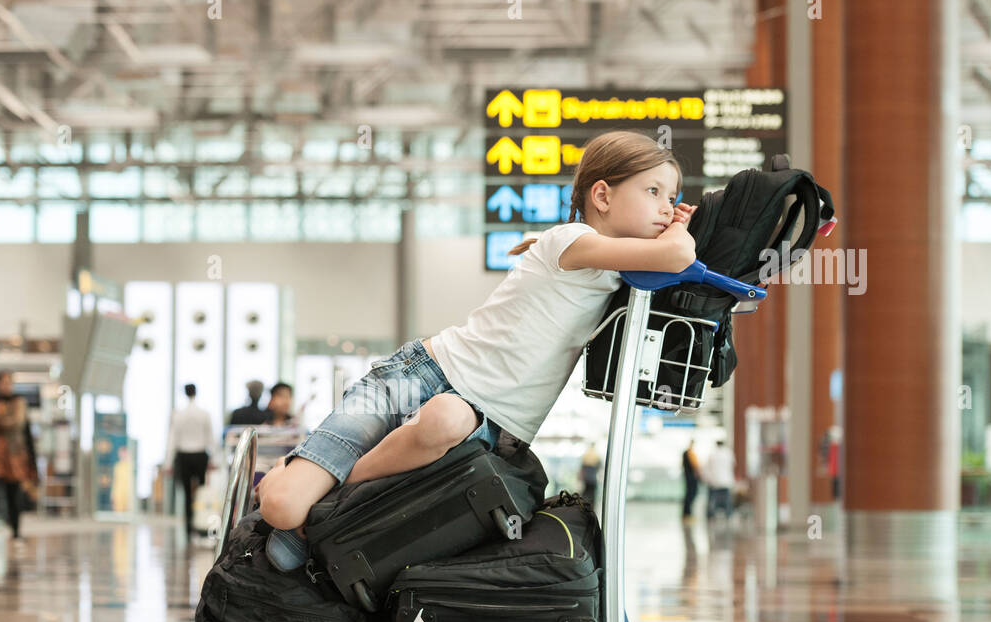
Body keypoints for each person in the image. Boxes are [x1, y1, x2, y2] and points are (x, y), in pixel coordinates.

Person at [257, 130, 697, 569]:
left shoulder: (615, 269)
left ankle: (328, 495)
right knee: (282, 507)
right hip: (419, 375)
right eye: (653, 191)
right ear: (601, 195)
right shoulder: (571, 240)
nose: (666, 207)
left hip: (483, 429)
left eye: (673, 197)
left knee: (447, 419)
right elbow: (678, 255)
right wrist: (680, 226)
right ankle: (302, 489)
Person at [0, 371, 34, 548]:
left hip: (14, 456)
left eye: (9, 382)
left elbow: (17, 423)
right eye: (3, 382)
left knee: (13, 495)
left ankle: (16, 533)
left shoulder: (19, 402)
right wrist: (0, 422)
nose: (6, 386)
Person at [165, 383, 215, 542]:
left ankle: (188, 527)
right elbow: (210, 437)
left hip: (183, 455)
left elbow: (172, 439)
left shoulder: (178, 414)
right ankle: (200, 523)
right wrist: (213, 459)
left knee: (186, 493)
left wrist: (168, 463)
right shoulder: (204, 414)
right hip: (200, 455)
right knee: (200, 491)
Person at [705, 438, 736, 520]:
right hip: (726, 481)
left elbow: (708, 468)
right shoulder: (728, 453)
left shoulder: (712, 454)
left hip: (715, 481)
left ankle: (712, 516)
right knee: (727, 500)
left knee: (713, 500)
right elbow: (733, 465)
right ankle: (728, 515)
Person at [682, 440, 700, 524]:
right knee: (690, 494)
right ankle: (687, 513)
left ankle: (687, 513)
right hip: (690, 477)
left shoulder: (689, 453)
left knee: (690, 494)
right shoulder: (689, 453)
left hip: (688, 476)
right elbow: (695, 465)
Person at [579, 440, 602, 506]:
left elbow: (582, 467)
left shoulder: (586, 454)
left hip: (586, 478)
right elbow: (599, 466)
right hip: (593, 478)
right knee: (592, 495)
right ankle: (591, 507)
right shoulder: (596, 455)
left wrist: (581, 477)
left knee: (585, 494)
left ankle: (583, 506)